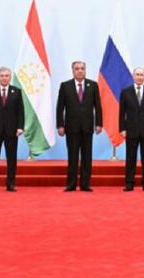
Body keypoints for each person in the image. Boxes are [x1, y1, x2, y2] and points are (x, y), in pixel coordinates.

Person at [57, 61, 102, 192]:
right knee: (73, 157)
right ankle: (71, 184)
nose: (80, 71)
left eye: (82, 68)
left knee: (87, 157)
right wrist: (60, 125)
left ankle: (85, 184)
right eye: (77, 69)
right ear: (73, 71)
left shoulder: (93, 85)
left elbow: (98, 106)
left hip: (87, 127)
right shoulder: (65, 86)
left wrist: (99, 123)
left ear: (85, 70)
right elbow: (60, 107)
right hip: (71, 127)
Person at [119, 67, 144, 192]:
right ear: (133, 76)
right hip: (131, 130)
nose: (139, 77)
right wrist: (122, 128)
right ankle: (129, 183)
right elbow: (122, 113)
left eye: (142, 75)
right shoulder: (126, 92)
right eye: (137, 74)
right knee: (130, 158)